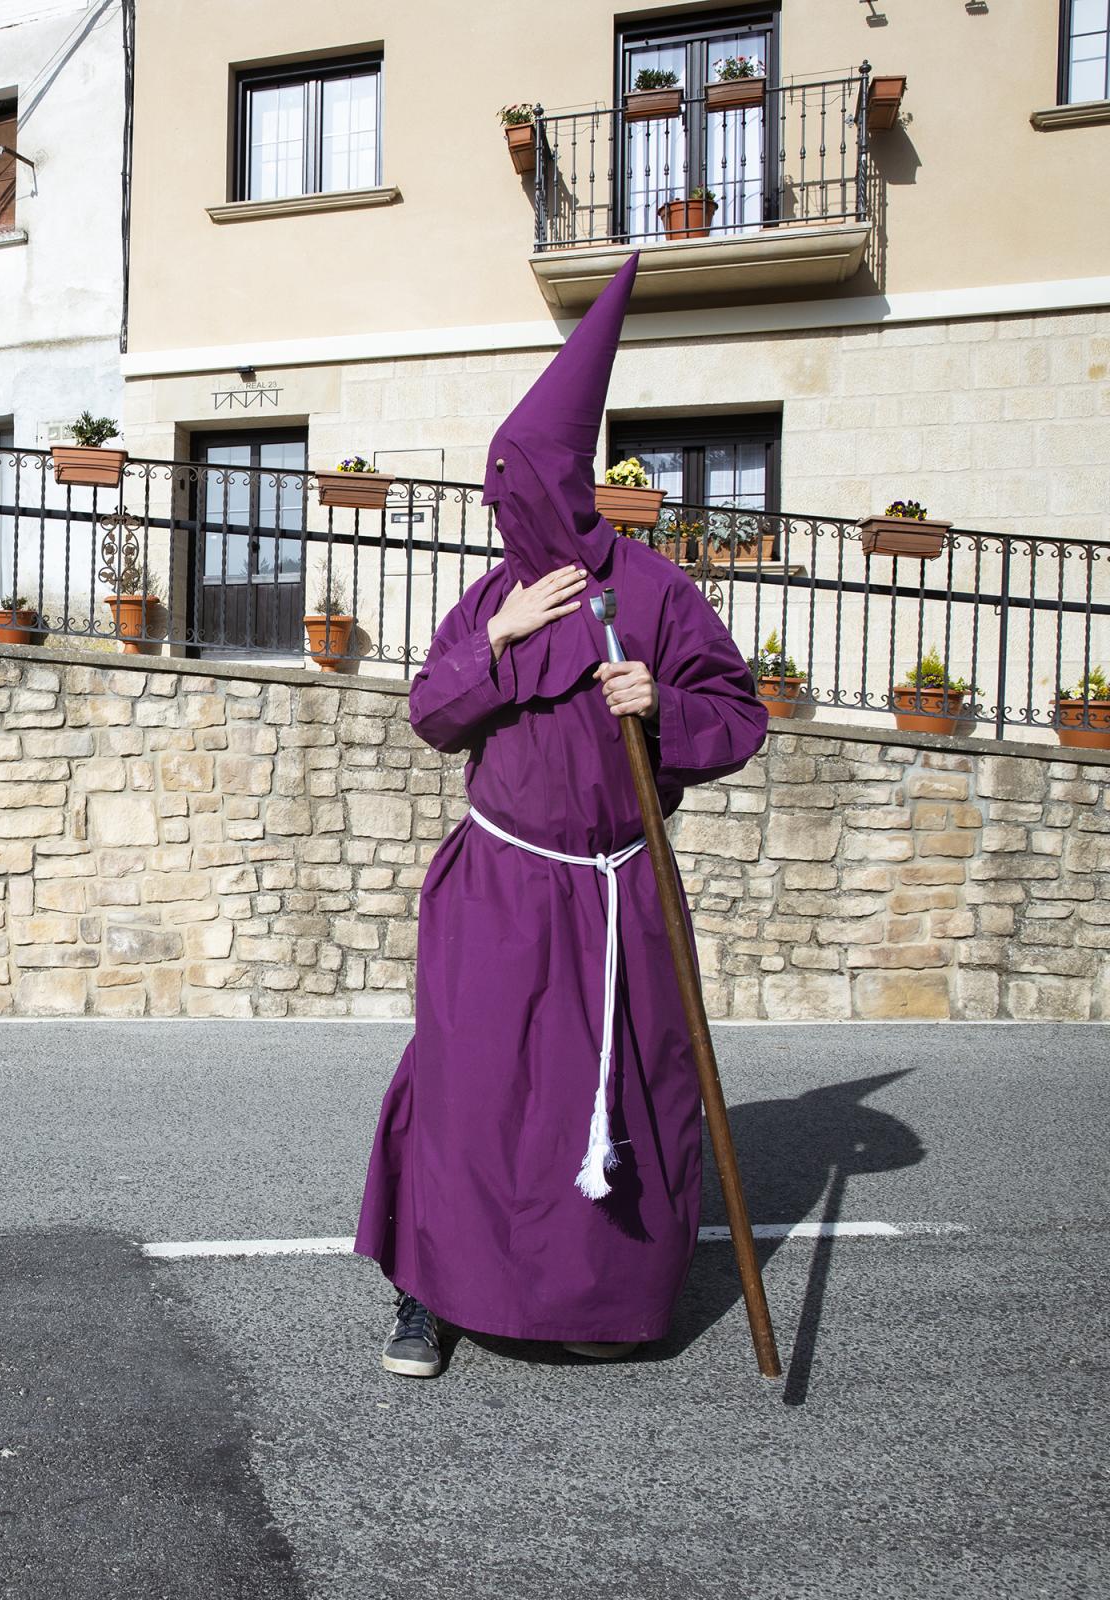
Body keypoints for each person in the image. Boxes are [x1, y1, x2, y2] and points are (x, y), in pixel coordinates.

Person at [354, 256, 769, 1377]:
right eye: (501, 490)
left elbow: (741, 716)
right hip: (497, 887)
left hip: (618, 886)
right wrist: (496, 644)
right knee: (467, 1089)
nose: (510, 507)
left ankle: (609, 1293)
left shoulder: (657, 590)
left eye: (524, 484)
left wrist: (663, 703)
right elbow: (431, 716)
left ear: (568, 485)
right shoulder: (490, 597)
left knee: (629, 1078)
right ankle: (427, 1294)